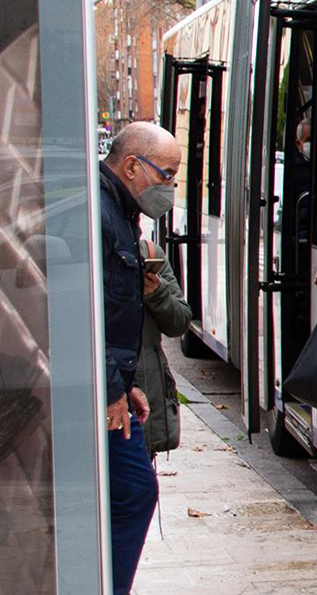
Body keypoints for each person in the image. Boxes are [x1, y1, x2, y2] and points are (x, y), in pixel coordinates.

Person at [99, 121, 182, 595]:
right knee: (134, 490)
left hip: (113, 385)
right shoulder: (102, 214)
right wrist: (112, 388)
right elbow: (85, 312)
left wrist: (126, 384)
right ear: (132, 166)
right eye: (166, 174)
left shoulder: (122, 212)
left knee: (129, 491)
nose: (169, 187)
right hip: (101, 390)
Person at [135, 240, 191, 457]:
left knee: (140, 488)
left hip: (144, 405)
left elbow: (180, 322)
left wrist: (157, 293)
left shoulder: (147, 252)